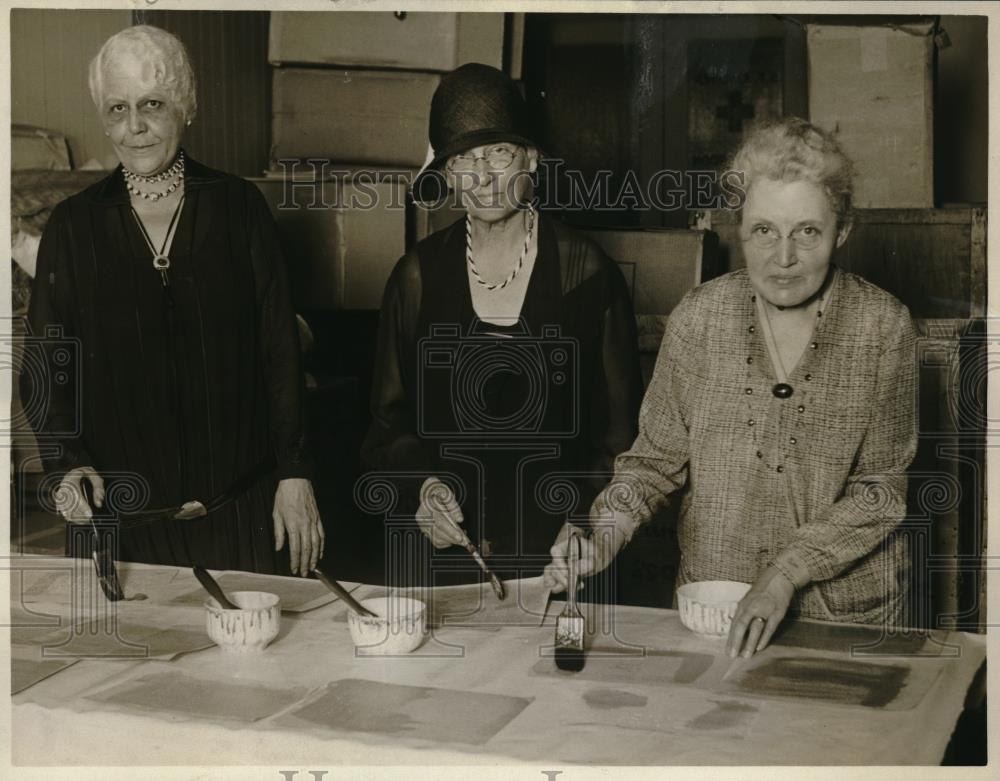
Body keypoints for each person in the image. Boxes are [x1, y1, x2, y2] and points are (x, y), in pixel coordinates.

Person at [545, 118, 918, 656]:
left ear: (844, 229)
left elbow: (880, 492)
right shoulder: (700, 317)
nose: (783, 257)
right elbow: (653, 462)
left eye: (807, 231)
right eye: (764, 230)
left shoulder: (883, 326)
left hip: (841, 621)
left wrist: (786, 573)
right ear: (738, 227)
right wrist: (603, 531)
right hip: (712, 612)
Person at [24, 25, 323, 576]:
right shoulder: (73, 227)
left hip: (241, 515)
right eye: (117, 108)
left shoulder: (239, 209)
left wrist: (294, 473)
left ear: (184, 107)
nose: (134, 126)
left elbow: (280, 351)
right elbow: (46, 365)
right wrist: (65, 466)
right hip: (120, 527)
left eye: (152, 105)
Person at [361, 63, 643, 587]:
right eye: (464, 159)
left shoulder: (588, 273)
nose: (484, 177)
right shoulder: (416, 276)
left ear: (532, 157)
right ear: (446, 174)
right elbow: (387, 425)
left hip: (562, 556)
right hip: (444, 555)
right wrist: (421, 489)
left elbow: (621, 435)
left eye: (499, 152)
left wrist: (584, 523)